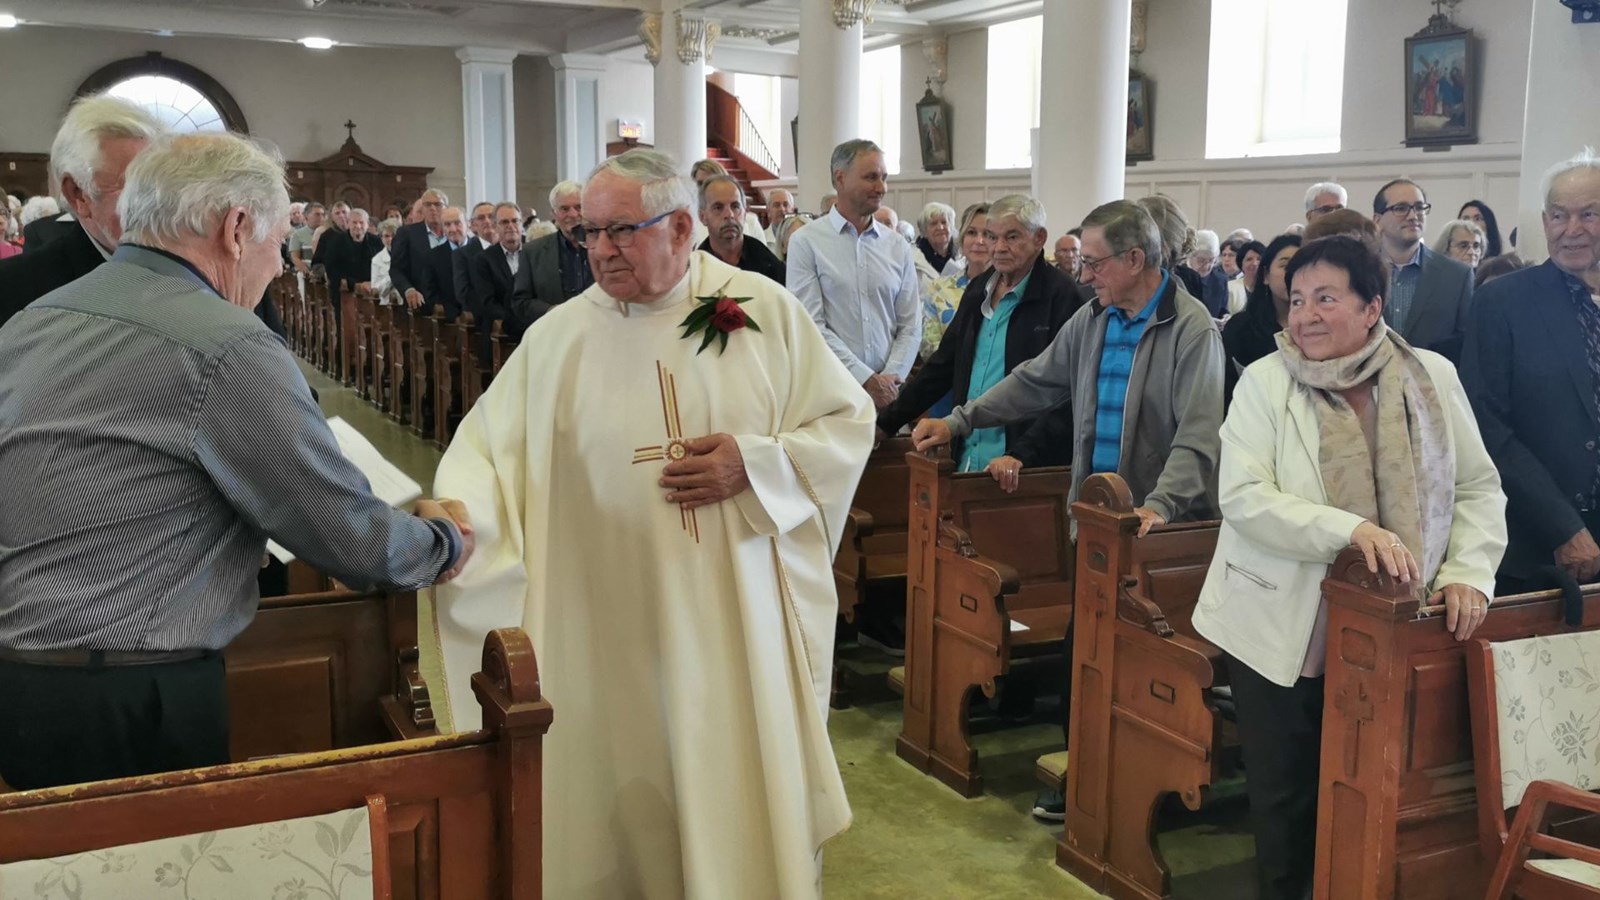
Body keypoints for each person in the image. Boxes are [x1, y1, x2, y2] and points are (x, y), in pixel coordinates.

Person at [422, 148, 873, 899]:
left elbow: (845, 425)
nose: (601, 250)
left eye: (622, 231)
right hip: (601, 622)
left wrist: (753, 465)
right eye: (589, 234)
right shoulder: (558, 339)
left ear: (683, 227)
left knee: (729, 774)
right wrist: (453, 520)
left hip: (732, 621)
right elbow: (485, 459)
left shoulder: (760, 311)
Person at [0, 131, 474, 791]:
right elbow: (346, 534)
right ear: (236, 228)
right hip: (136, 695)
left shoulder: (33, 320)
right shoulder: (225, 345)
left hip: (21, 682)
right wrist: (444, 541)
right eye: (279, 241)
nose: (280, 264)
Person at [1194, 235, 1505, 900]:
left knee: (1374, 791)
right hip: (1283, 625)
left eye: (1325, 299)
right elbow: (1245, 500)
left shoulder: (1430, 377)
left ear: (1372, 308)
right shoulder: (1266, 382)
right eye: (1296, 299)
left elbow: (1477, 488)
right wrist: (1354, 531)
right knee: (1287, 795)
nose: (1304, 315)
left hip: (1399, 626)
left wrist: (1468, 574)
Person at [912, 198, 1222, 532]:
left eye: (1094, 264)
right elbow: (1033, 382)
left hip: (1159, 526)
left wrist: (1160, 506)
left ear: (1134, 259)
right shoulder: (1093, 317)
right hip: (1095, 514)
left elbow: (1197, 437)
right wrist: (958, 421)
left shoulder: (1190, 329)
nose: (1085, 276)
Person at [1464, 148, 1600, 594]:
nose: (1572, 230)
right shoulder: (1503, 302)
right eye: (1559, 215)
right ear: (1544, 223)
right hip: (1537, 552)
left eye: (1589, 214)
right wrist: (1563, 526)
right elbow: (1486, 426)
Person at [878, 194, 1079, 477]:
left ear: (1039, 238)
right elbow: (943, 366)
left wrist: (1022, 454)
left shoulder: (1063, 296)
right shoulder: (979, 289)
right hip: (968, 454)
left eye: (1011, 237)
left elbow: (1066, 393)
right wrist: (886, 423)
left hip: (1025, 466)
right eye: (991, 236)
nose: (998, 248)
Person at [0, 95, 164, 328]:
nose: (157, 203)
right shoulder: (15, 289)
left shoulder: (194, 268)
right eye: (134, 187)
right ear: (78, 194)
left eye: (160, 185)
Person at [786, 139, 920, 412]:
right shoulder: (806, 242)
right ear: (840, 178)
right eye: (871, 177)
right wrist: (866, 380)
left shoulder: (897, 246)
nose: (881, 187)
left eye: (884, 178)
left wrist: (890, 380)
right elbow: (811, 326)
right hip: (833, 392)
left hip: (890, 397)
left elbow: (911, 325)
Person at [1370, 178, 1474, 363]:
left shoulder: (1456, 276)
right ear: (1378, 221)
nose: (1413, 216)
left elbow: (1466, 345)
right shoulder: (1356, 271)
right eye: (1401, 208)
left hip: (1433, 383)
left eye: (1419, 207)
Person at [1221, 234, 1301, 407]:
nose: (1293, 273)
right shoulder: (1240, 328)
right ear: (1265, 275)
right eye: (1285, 265)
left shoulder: (1319, 330)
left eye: (1301, 265)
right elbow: (1226, 392)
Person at [922, 202, 991, 363]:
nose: (979, 240)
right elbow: (929, 348)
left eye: (988, 234)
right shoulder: (939, 289)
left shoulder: (1009, 290)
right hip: (947, 380)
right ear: (962, 238)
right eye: (972, 232)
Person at [696, 175, 786, 285]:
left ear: (745, 212)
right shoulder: (696, 270)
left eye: (735, 206)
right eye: (718, 207)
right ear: (702, 217)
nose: (729, 214)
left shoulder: (768, 264)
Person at [523, 180, 595, 311]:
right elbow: (521, 302)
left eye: (579, 207)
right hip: (555, 327)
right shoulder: (533, 252)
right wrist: (552, 311)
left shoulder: (605, 245)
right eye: (564, 209)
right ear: (554, 214)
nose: (573, 214)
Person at [470, 201, 534, 336]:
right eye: (505, 222)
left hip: (533, 323)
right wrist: (516, 321)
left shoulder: (534, 251)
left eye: (515, 221)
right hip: (501, 329)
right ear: (495, 226)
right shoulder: (483, 259)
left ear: (521, 224)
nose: (511, 226)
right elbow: (488, 302)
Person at [391, 188, 449, 310]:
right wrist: (408, 290)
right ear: (422, 209)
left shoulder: (453, 234)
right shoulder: (407, 233)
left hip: (453, 304)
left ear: (446, 208)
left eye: (438, 204)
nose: (433, 208)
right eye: (428, 205)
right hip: (420, 304)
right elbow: (396, 270)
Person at [421, 205, 469, 320]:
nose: (453, 229)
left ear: (468, 223)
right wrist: (454, 317)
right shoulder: (432, 256)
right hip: (449, 322)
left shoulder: (481, 251)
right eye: (447, 225)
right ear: (442, 228)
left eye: (458, 223)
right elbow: (430, 294)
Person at [452, 200, 498, 315]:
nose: (487, 221)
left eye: (491, 217)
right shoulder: (462, 255)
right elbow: (463, 293)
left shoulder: (510, 249)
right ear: (473, 225)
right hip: (482, 316)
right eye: (481, 218)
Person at [915, 201, 962, 279]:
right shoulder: (914, 260)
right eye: (933, 223)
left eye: (944, 222)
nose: (940, 227)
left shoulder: (963, 257)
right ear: (924, 231)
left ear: (951, 227)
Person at [1189, 228, 1229, 318]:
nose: (1207, 266)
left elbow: (1223, 309)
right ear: (1190, 257)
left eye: (1211, 260)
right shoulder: (1181, 278)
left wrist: (1225, 317)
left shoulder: (1220, 281)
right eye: (1201, 260)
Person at [1227, 240, 1266, 316]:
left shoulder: (1272, 288)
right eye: (1249, 259)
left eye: (1259, 259)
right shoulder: (1230, 288)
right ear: (1241, 264)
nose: (1254, 263)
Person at [290, 202, 323, 275]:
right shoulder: (297, 234)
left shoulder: (329, 233)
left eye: (322, 214)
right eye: (317, 214)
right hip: (307, 274)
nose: (321, 217)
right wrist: (308, 272)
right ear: (306, 216)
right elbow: (295, 257)